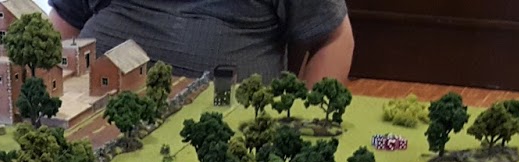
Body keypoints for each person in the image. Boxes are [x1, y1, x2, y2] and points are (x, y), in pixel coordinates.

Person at [48, 0, 355, 85]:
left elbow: (334, 38)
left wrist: (301, 130)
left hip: (231, 138)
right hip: (91, 122)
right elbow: (65, 20)